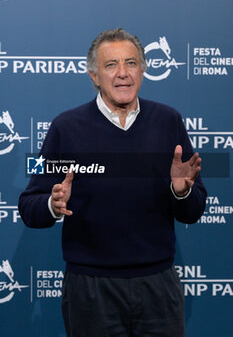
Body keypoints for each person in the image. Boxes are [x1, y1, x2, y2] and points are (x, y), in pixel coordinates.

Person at [19, 28, 207, 337]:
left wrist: (181, 191)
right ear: (94, 75)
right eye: (111, 65)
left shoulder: (168, 121)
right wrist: (52, 204)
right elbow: (28, 206)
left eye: (131, 63)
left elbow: (193, 210)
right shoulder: (64, 128)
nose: (123, 73)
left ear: (143, 70)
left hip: (158, 287)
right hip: (90, 291)